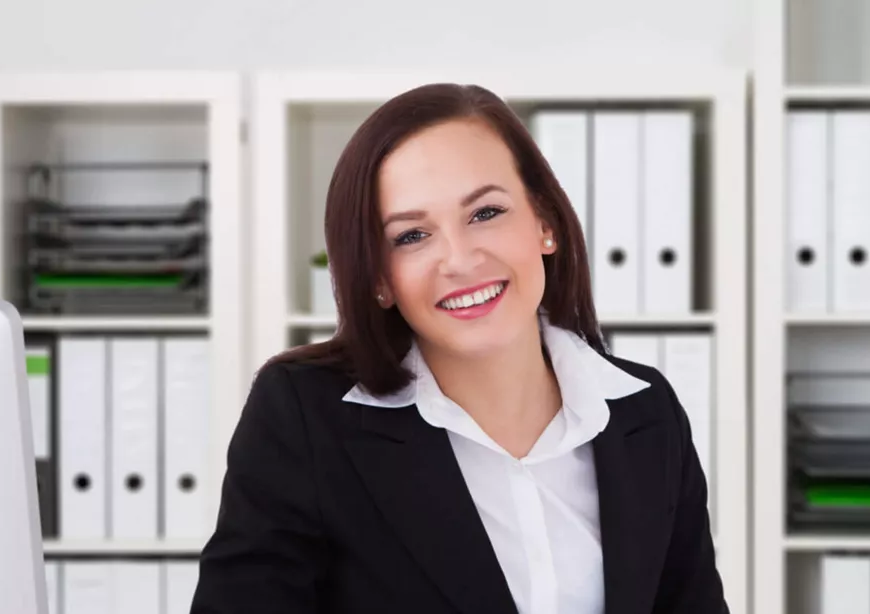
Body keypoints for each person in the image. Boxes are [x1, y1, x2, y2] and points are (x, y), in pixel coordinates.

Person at [190, 82, 726, 614]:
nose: (460, 259)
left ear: (544, 222)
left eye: (485, 213)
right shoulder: (304, 415)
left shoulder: (645, 411)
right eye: (411, 236)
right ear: (378, 277)